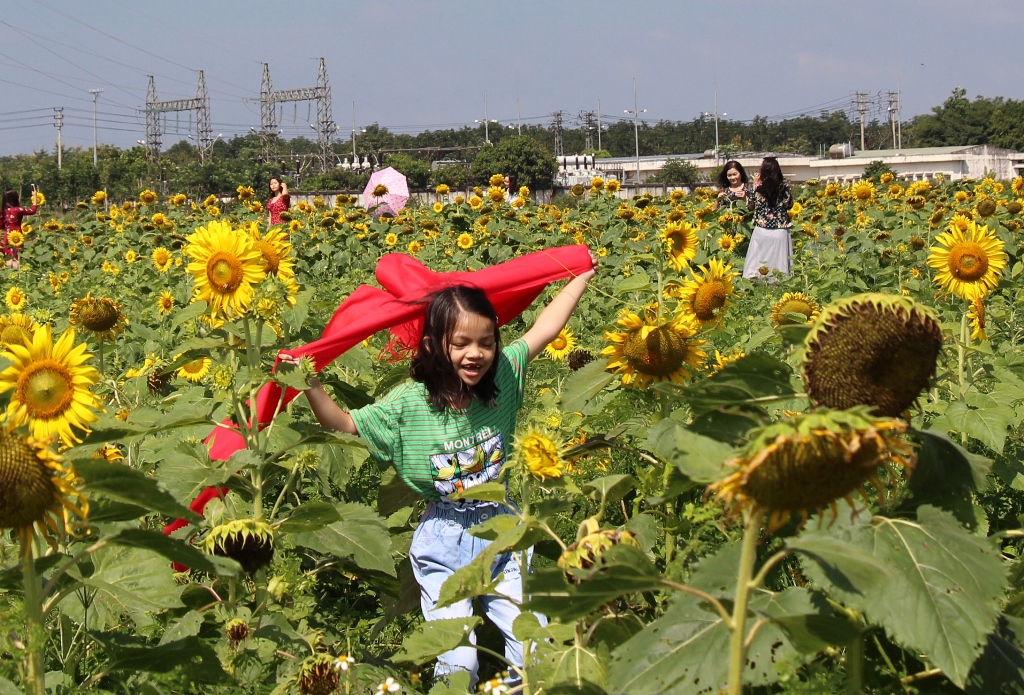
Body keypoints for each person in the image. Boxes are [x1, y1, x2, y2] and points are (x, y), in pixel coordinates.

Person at [287, 254, 598, 687]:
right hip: (446, 542)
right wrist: (312, 385)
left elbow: (545, 329)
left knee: (536, 648)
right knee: (459, 662)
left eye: (486, 342)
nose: (476, 354)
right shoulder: (408, 404)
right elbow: (347, 425)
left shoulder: (503, 378)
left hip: (504, 531)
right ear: (435, 346)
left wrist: (579, 272)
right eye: (462, 344)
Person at [742, 157, 793, 279]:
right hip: (780, 230)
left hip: (761, 230)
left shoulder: (758, 189)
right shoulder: (785, 188)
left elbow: (750, 206)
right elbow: (789, 205)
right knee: (780, 267)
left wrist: (755, 184)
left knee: (755, 265)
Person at [1, 186, 39, 268]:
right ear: (15, 198)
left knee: (8, 257)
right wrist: (35, 197)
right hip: (17, 235)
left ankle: (9, 277)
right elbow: (33, 210)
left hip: (7, 236)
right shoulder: (18, 210)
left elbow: (1, 225)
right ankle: (17, 275)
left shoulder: (3, 211)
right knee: (17, 256)